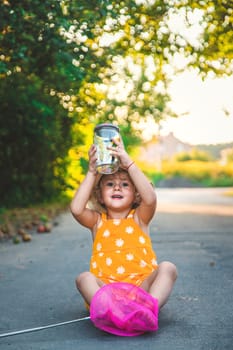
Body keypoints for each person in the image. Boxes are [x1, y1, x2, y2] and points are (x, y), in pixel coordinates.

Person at [70, 137, 177, 324]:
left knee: (168, 268)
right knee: (83, 278)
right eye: (110, 184)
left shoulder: (140, 217)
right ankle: (114, 313)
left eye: (125, 184)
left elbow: (150, 199)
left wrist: (129, 164)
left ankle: (148, 309)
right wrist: (92, 172)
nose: (117, 187)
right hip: (107, 293)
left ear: (136, 194)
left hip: (141, 291)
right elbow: (77, 209)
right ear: (100, 195)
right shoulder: (97, 221)